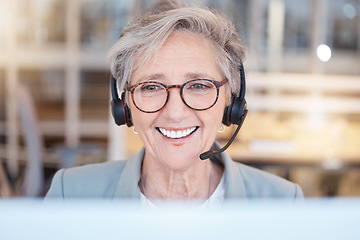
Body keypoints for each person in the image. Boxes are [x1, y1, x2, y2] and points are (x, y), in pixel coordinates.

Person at [45, 0, 303, 206]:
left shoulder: (283, 203)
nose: (175, 113)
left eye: (199, 85)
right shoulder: (71, 195)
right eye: (151, 87)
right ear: (126, 106)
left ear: (230, 99)